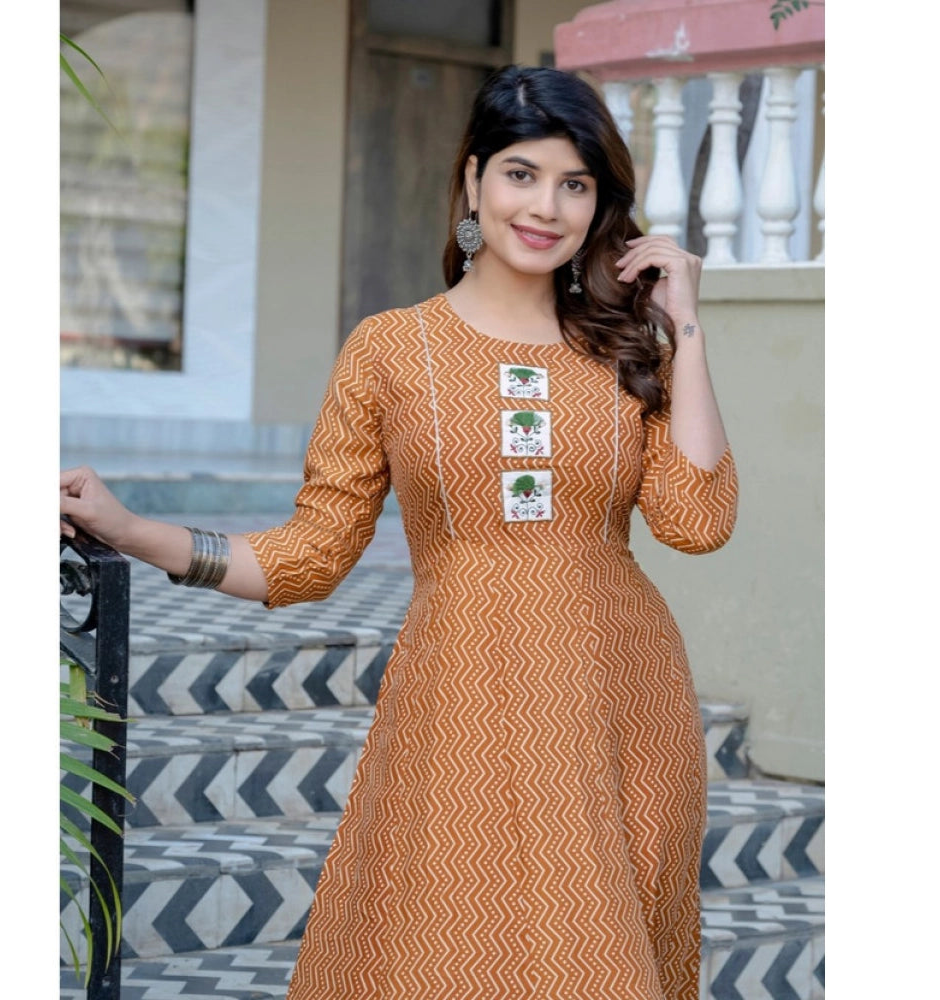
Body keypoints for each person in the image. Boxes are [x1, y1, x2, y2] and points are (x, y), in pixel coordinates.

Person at [61, 65, 737, 1000]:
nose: (547, 207)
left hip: (621, 701)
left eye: (575, 185)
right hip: (459, 704)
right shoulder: (389, 351)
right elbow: (310, 557)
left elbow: (697, 522)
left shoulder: (623, 350)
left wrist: (685, 328)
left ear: (600, 205)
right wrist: (133, 529)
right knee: (435, 958)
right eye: (522, 174)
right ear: (472, 179)